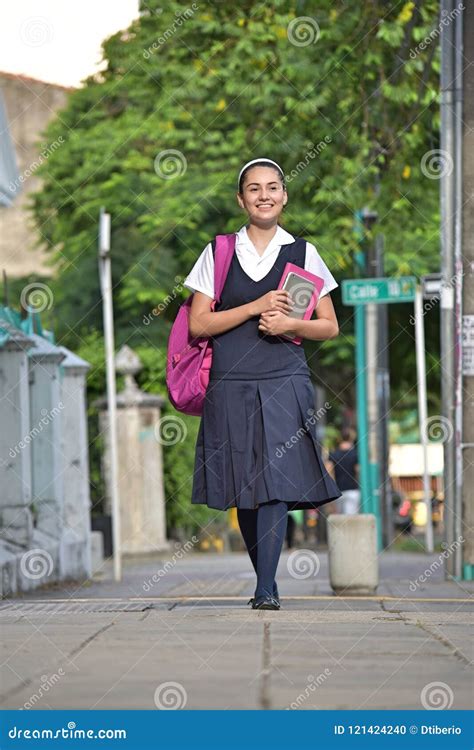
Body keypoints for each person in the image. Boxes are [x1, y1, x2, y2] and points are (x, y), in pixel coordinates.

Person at [183, 157, 342, 610]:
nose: (265, 195)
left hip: (284, 377)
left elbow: (328, 326)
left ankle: (266, 588)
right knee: (244, 486)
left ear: (284, 196)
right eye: (254, 189)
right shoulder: (218, 252)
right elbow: (198, 324)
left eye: (273, 187)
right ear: (241, 199)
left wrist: (288, 323)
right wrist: (254, 308)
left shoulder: (304, 253)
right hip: (230, 380)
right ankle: (264, 578)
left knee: (275, 478)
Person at [327, 428, 360, 514]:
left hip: (338, 491)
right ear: (351, 438)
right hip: (353, 490)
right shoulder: (355, 454)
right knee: (350, 519)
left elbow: (329, 472)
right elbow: (358, 471)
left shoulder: (334, 454)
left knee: (340, 520)